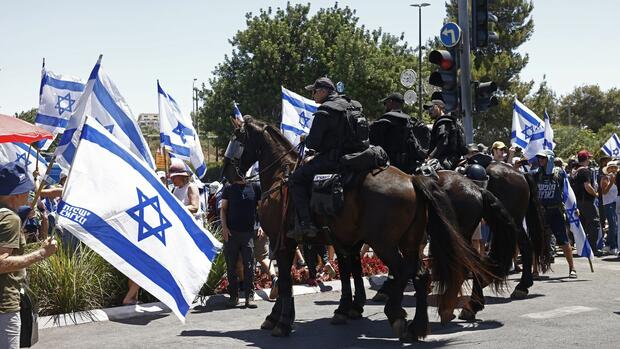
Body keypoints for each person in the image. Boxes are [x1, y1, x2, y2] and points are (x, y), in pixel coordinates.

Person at [289, 77, 366, 239]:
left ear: (323, 91)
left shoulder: (325, 110)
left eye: (314, 91)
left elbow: (314, 143)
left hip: (334, 160)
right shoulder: (353, 105)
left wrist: (305, 139)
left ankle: (306, 224)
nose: (312, 95)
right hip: (359, 156)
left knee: (296, 178)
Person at [0, 162, 58, 348]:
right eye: (26, 190)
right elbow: (1, 263)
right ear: (15, 195)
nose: (30, 194)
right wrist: (42, 253)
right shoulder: (9, 218)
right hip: (4, 304)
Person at [533, 150, 577, 278]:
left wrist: (573, 206)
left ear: (550, 159)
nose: (540, 160)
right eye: (539, 158)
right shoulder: (535, 174)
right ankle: (534, 270)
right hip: (541, 212)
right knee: (536, 240)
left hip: (555, 211)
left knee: (563, 241)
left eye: (543, 158)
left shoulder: (560, 173)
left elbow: (567, 190)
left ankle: (572, 268)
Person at [221, 176, 261, 309]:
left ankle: (250, 297)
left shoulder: (255, 187)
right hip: (231, 233)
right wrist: (224, 228)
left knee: (249, 265)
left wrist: (260, 225)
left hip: (248, 233)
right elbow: (223, 209)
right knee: (231, 266)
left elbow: (260, 208)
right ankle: (234, 297)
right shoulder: (228, 188)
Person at [369, 92, 428, 173]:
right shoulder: (409, 121)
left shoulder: (382, 122)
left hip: (387, 167)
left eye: (385, 103)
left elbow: (373, 144)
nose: (385, 106)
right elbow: (413, 144)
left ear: (390, 102)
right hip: (408, 167)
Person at [572, 150, 603, 256]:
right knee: (595, 223)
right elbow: (587, 186)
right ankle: (592, 248)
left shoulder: (575, 170)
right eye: (588, 158)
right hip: (586, 202)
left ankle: (583, 248)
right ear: (586, 159)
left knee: (583, 225)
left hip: (578, 201)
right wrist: (596, 194)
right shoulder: (585, 171)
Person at [427, 99, 464, 170]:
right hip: (451, 158)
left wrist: (430, 157)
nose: (429, 111)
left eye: (431, 108)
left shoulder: (443, 122)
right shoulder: (448, 121)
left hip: (446, 160)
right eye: (428, 109)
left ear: (440, 107)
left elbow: (443, 142)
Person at [601, 160, 619, 255]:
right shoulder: (605, 178)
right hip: (608, 204)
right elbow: (604, 192)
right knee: (613, 225)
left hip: (616, 204)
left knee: (615, 225)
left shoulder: (618, 178)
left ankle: (608, 244)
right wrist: (611, 182)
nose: (613, 169)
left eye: (614, 167)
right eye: (611, 167)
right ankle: (613, 246)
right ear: (607, 169)